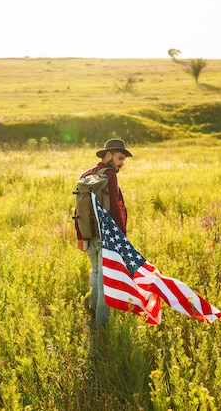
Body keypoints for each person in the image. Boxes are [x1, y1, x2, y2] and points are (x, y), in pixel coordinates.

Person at [76, 138, 133, 328]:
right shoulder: (109, 175)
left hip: (87, 235)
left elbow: (77, 210)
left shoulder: (87, 174)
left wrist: (80, 236)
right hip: (106, 237)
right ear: (108, 155)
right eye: (120, 158)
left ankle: (92, 314)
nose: (121, 163)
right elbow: (117, 209)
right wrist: (122, 240)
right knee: (104, 282)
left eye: (123, 159)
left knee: (94, 272)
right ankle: (101, 325)